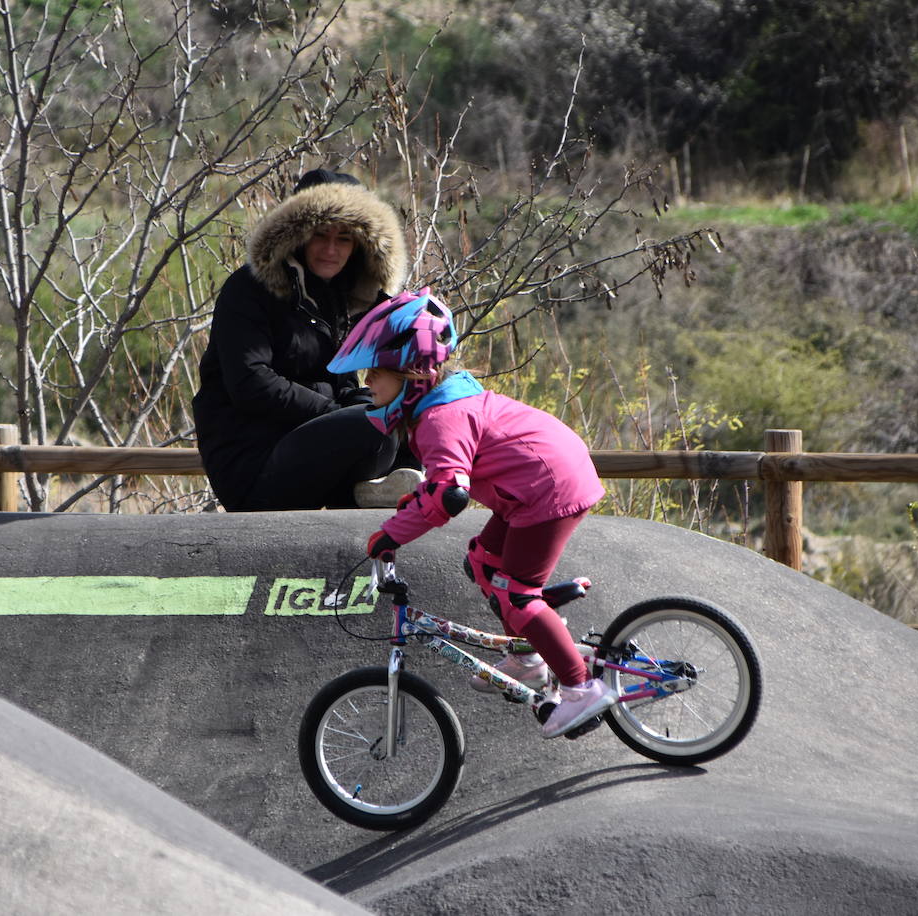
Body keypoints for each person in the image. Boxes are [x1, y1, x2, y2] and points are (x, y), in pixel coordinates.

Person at [330, 289, 616, 739]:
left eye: (375, 373)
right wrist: (414, 502)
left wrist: (390, 534)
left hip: (547, 488)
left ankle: (582, 688)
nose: (367, 383)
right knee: (483, 560)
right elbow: (445, 479)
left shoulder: (441, 417)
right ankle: (528, 659)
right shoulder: (441, 407)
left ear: (412, 372)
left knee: (518, 593)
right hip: (532, 488)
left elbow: (449, 496)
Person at [192, 168, 420, 511]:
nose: (331, 249)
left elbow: (344, 386)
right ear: (296, 236)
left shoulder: (344, 301)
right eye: (320, 235)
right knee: (373, 427)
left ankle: (402, 500)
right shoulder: (248, 289)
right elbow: (250, 383)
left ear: (360, 245)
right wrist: (337, 412)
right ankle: (370, 496)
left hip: (313, 451)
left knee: (407, 415)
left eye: (344, 237)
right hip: (253, 462)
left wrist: (363, 403)